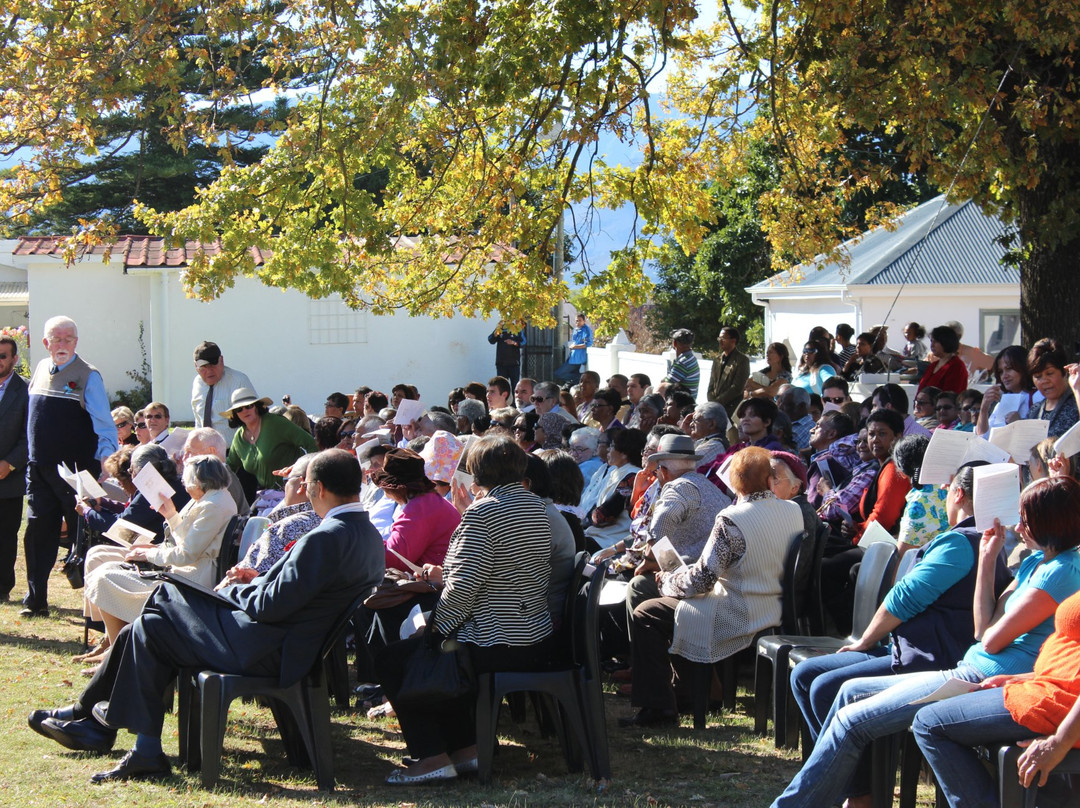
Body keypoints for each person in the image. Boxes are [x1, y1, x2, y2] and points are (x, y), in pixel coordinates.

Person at [27, 449, 385, 782]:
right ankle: (130, 742)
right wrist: (258, 579)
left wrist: (238, 589)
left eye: (306, 486)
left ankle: (98, 721)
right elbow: (300, 594)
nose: (305, 494)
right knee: (149, 626)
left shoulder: (325, 536)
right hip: (286, 643)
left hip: (265, 647)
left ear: (319, 488)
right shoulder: (366, 534)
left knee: (164, 598)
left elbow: (271, 605)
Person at [769, 476, 1080, 808]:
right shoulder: (1035, 562)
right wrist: (987, 561)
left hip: (982, 676)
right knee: (847, 693)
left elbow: (990, 640)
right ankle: (857, 796)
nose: (1018, 524)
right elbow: (981, 630)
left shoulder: (1062, 571)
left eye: (1026, 517)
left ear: (1049, 521)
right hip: (973, 667)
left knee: (853, 719)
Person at [791, 465, 1009, 753]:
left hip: (930, 657)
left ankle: (857, 791)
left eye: (948, 487)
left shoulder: (960, 542)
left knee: (822, 686)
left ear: (958, 493)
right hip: (920, 648)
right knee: (805, 674)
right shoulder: (991, 540)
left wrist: (864, 641)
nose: (943, 491)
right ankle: (844, 773)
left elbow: (904, 599)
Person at [376, 436, 556, 784]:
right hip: (532, 631)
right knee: (434, 646)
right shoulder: (535, 506)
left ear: (476, 472)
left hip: (498, 639)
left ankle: (432, 756)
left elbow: (461, 589)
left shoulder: (484, 512)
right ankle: (465, 748)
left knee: (399, 659)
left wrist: (435, 629)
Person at [623, 447, 803, 727]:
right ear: (770, 480)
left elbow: (701, 581)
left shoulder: (733, 518)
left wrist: (667, 580)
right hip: (775, 605)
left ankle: (660, 707)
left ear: (733, 482)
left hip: (737, 608)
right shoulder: (793, 510)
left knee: (648, 612)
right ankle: (691, 694)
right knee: (675, 609)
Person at [913, 587, 1080, 807]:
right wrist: (1019, 677)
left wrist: (1059, 743)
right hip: (1048, 692)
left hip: (1059, 704)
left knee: (929, 724)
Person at [84, 455, 237, 646]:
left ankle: (116, 653)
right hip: (185, 573)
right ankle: (114, 648)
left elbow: (185, 554)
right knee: (103, 571)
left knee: (103, 578)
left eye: (187, 483)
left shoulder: (212, 505)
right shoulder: (213, 498)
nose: (186, 487)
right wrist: (171, 514)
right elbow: (187, 542)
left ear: (198, 482)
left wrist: (148, 554)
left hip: (189, 582)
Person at [22, 315, 118, 618]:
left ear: (76, 342)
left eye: (68, 339)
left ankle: (95, 609)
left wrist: (106, 460)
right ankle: (36, 601)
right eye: (56, 338)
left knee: (83, 536)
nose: (62, 344)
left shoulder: (89, 375)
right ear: (45, 342)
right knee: (37, 534)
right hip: (39, 469)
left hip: (76, 473)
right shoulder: (39, 369)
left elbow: (105, 424)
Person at [820, 409, 911, 634]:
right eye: (871, 434)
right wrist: (855, 527)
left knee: (825, 569)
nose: (874, 440)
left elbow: (884, 518)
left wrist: (856, 534)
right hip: (871, 540)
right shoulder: (883, 466)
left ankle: (849, 630)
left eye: (883, 434)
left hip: (886, 546)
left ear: (897, 437)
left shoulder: (893, 469)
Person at [374, 448, 460, 571]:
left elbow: (394, 559)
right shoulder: (427, 501)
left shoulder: (420, 508)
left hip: (436, 584)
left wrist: (366, 537)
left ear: (398, 488)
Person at [222, 387, 317, 492]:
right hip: (267, 495)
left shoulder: (275, 423)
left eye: (248, 406)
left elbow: (311, 444)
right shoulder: (239, 437)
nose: (244, 411)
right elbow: (230, 467)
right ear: (235, 414)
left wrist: (300, 469)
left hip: (296, 489)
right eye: (239, 409)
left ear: (257, 407)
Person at [0, 333, 27, 601]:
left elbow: (29, 435)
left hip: (8, 479)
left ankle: (2, 588)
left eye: (3, 356)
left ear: (14, 359)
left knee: (5, 537)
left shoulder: (25, 391)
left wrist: (10, 463)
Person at [190, 341, 254, 444]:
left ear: (222, 360)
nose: (209, 371)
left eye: (213, 365)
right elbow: (198, 420)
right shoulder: (197, 384)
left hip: (234, 451)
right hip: (205, 450)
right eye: (204, 367)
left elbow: (255, 418)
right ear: (196, 366)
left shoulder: (238, 381)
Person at [976, 345, 1037, 435]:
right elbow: (982, 437)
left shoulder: (1038, 397)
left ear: (1023, 367)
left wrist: (1019, 424)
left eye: (1009, 369)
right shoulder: (1002, 402)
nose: (1004, 376)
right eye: (1001, 372)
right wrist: (984, 409)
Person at [1027, 337, 1079, 439]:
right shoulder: (1034, 411)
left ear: (1064, 372)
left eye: (1050, 373)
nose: (1044, 381)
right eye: (1038, 376)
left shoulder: (1077, 402)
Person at [707, 326, 751, 417]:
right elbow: (711, 384)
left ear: (733, 341)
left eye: (723, 338)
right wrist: (711, 401)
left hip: (731, 410)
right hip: (714, 408)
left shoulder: (742, 360)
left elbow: (737, 388)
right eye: (719, 338)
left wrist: (717, 402)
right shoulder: (717, 360)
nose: (720, 341)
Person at [918, 325, 968, 395]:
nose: (932, 345)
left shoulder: (957, 366)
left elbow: (950, 395)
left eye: (935, 342)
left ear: (946, 342)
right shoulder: (933, 366)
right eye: (931, 341)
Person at [657, 328, 700, 398]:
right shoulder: (690, 358)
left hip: (682, 405)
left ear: (674, 343)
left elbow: (664, 385)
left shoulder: (683, 362)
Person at [688, 401, 730, 467]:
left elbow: (685, 466)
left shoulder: (714, 445)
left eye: (695, 420)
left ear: (711, 424)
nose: (691, 424)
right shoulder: (709, 441)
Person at [554, 313, 592, 384]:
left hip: (578, 358)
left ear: (584, 321)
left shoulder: (586, 330)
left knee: (559, 373)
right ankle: (577, 383)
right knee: (572, 379)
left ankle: (581, 377)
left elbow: (588, 343)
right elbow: (575, 341)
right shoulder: (576, 329)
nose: (577, 322)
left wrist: (575, 347)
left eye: (580, 320)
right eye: (576, 321)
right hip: (572, 356)